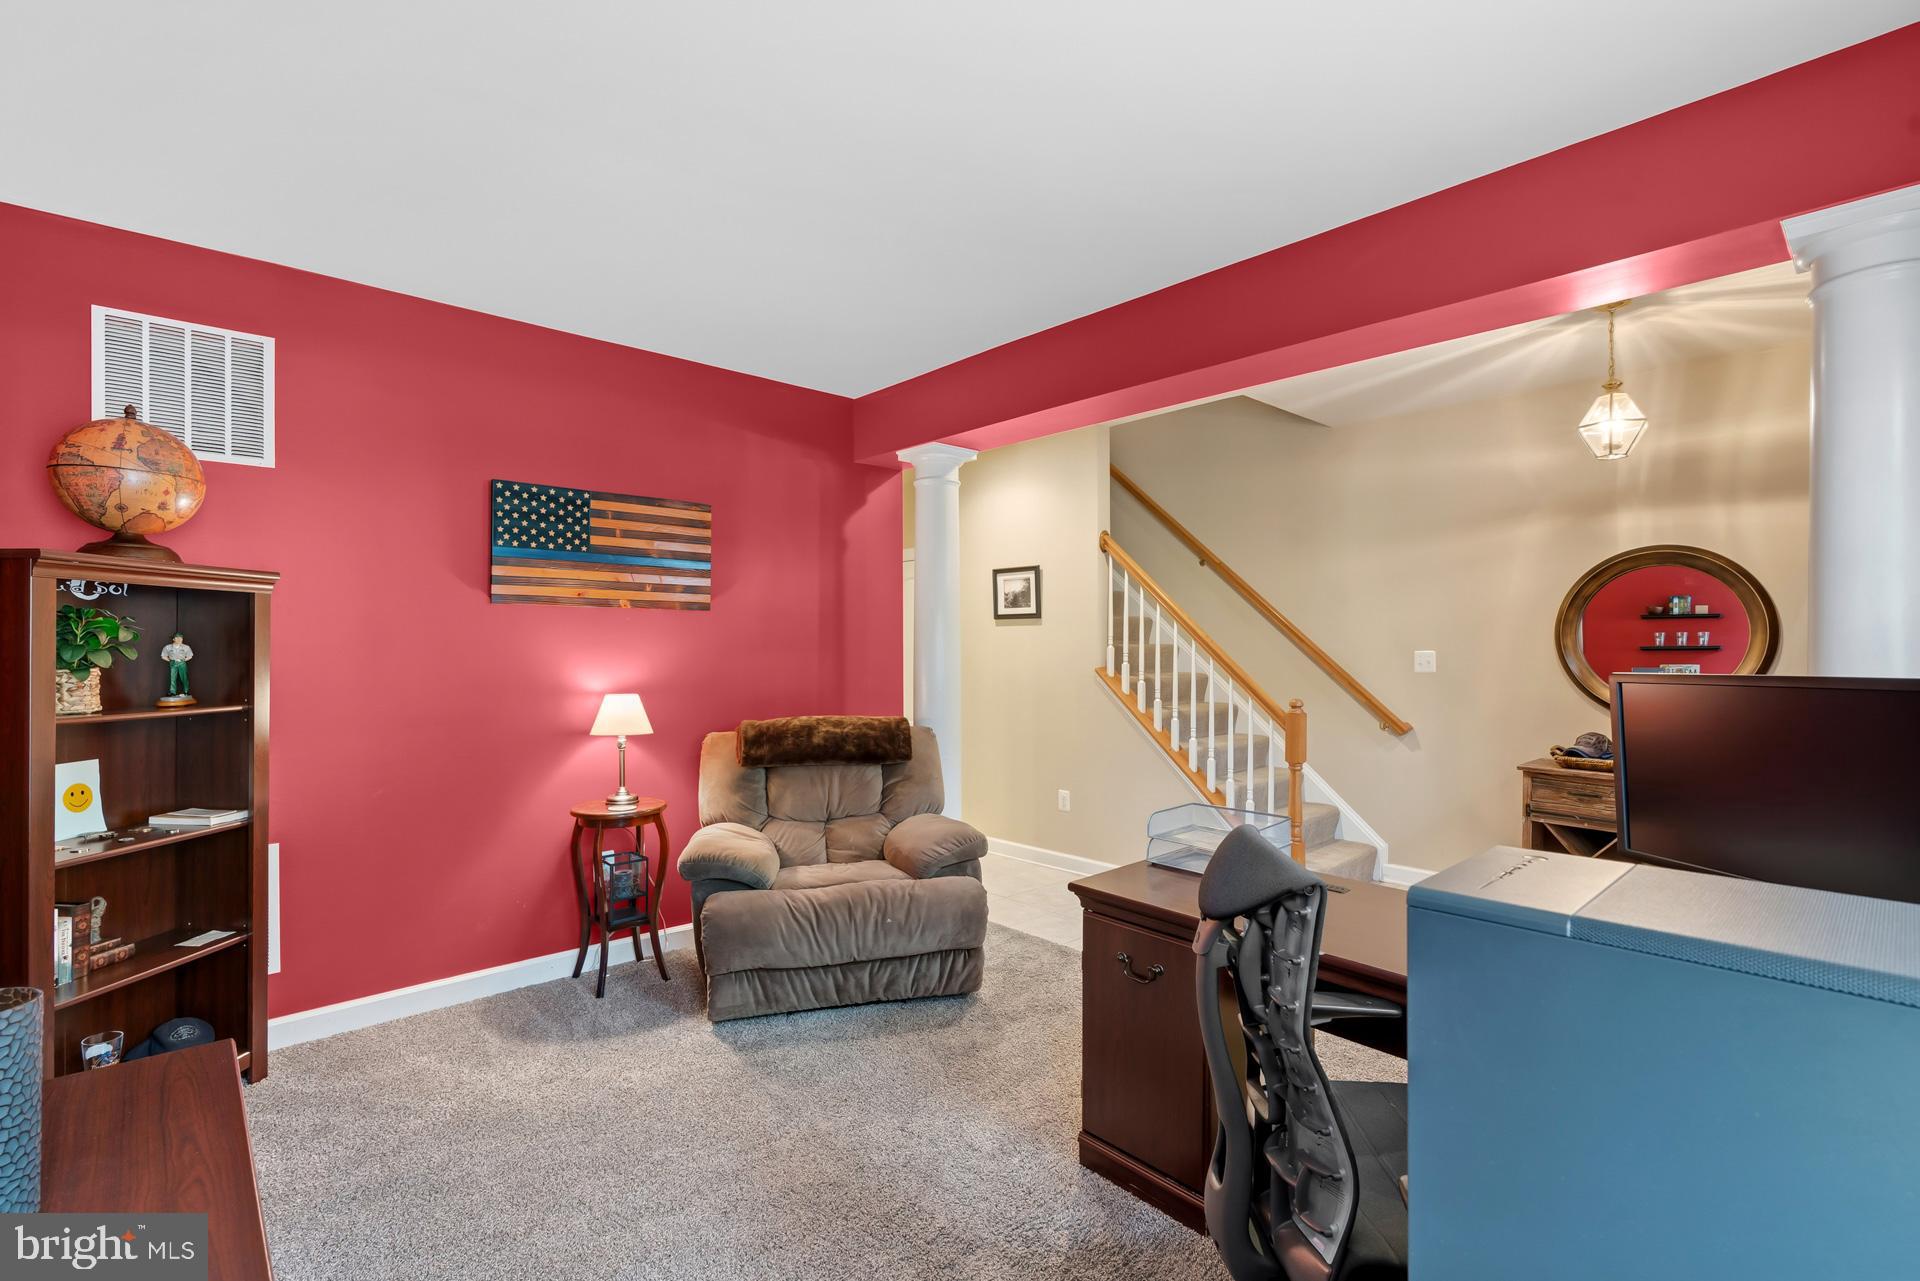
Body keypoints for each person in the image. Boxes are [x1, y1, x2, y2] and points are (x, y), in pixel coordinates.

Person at [160, 633, 193, 700]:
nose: (179, 639)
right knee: (172, 678)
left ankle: (186, 691)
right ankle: (172, 692)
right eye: (177, 638)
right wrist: (170, 661)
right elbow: (163, 656)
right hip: (173, 663)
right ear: (173, 639)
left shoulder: (186, 647)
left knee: (184, 677)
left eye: (181, 638)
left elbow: (190, 656)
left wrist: (183, 660)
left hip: (182, 663)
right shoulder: (168, 647)